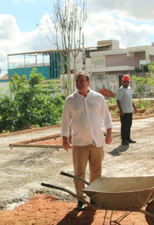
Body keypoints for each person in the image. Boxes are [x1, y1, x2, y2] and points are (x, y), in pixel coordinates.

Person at [61, 70, 113, 210]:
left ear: (88, 81)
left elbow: (106, 117)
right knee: (79, 172)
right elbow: (65, 121)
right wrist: (64, 138)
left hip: (96, 141)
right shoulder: (70, 100)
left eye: (82, 80)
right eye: (77, 80)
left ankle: (94, 197)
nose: (79, 83)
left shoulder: (98, 98)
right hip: (79, 143)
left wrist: (109, 133)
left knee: (96, 171)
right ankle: (80, 199)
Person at [116, 75, 137, 146]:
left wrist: (134, 107)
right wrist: (120, 110)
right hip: (124, 111)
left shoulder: (129, 89)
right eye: (125, 81)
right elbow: (118, 100)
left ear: (129, 82)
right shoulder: (121, 90)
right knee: (124, 126)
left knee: (129, 125)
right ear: (122, 82)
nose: (126, 83)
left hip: (130, 111)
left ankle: (128, 138)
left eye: (127, 82)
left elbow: (131, 99)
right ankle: (124, 139)